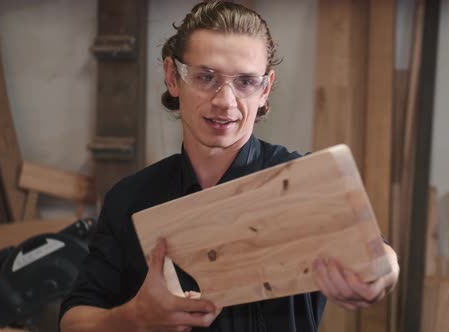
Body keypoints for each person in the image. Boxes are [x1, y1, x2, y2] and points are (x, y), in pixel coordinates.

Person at [59, 1, 399, 331]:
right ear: (172, 77)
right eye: (206, 77)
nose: (225, 101)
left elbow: (380, 257)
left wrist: (380, 275)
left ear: (265, 89)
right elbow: (73, 320)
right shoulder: (130, 198)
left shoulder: (304, 182)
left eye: (245, 82)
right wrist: (134, 319)